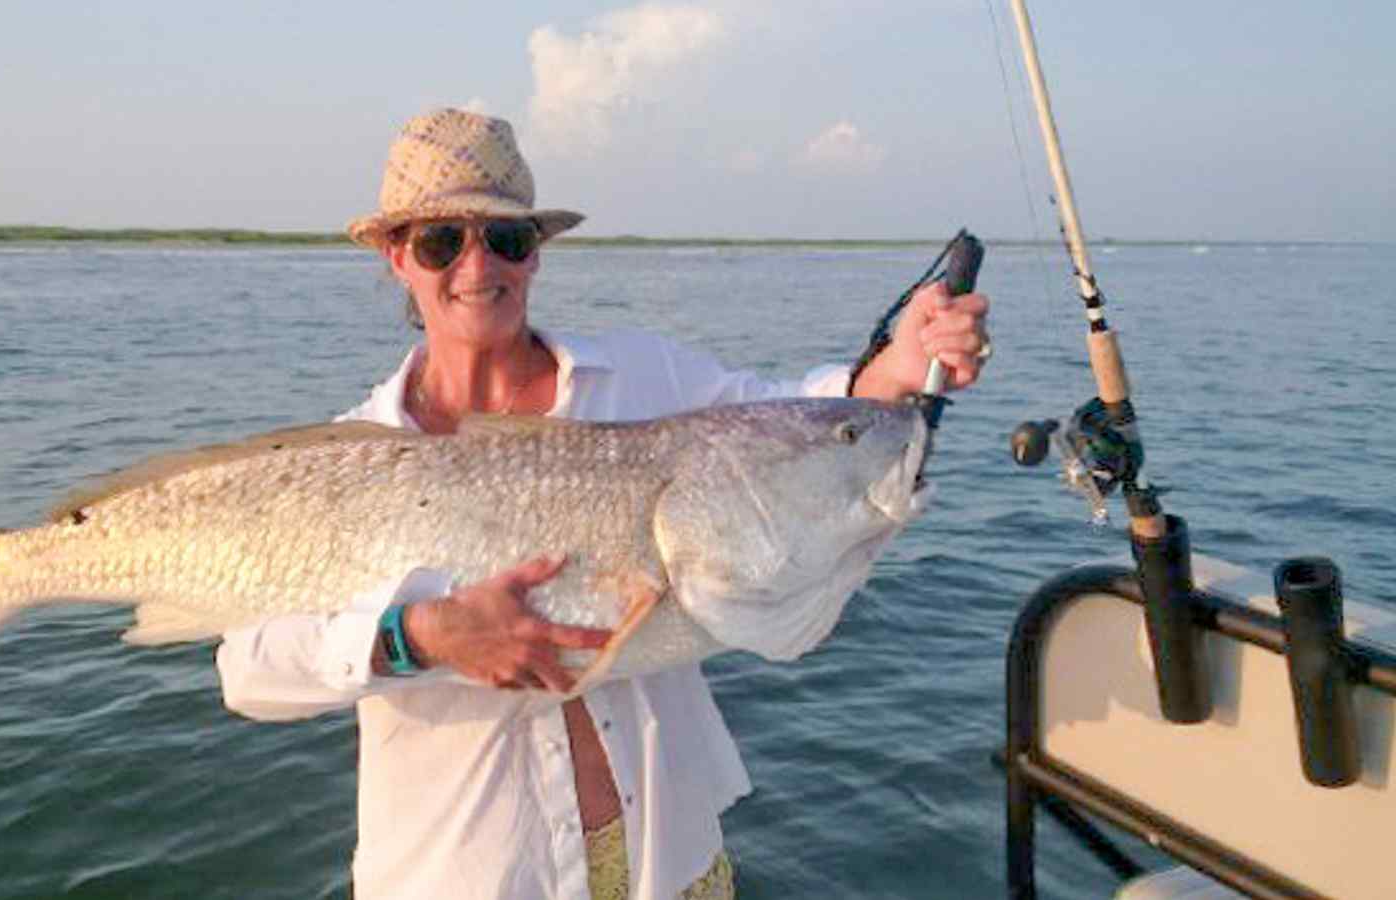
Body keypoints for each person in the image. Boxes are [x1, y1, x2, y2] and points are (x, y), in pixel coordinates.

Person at [216, 108, 990, 900]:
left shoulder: (645, 375)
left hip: (670, 864)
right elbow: (248, 668)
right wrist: (422, 636)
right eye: (442, 241)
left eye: (505, 238)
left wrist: (901, 365)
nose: (478, 266)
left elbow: (793, 426)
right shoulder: (344, 458)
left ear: (535, 252)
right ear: (396, 257)